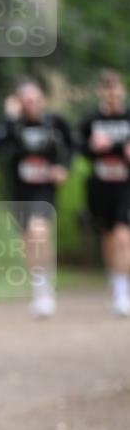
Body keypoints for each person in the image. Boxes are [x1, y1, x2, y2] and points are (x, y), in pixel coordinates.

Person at [0, 77, 72, 318]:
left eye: (35, 99)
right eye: (26, 100)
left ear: (42, 99)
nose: (32, 104)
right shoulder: (13, 125)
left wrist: (63, 168)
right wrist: (9, 118)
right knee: (27, 241)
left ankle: (45, 291)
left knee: (40, 231)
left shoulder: (55, 123)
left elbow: (71, 146)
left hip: (44, 189)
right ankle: (40, 289)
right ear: (18, 102)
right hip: (19, 191)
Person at [78, 69, 130, 317]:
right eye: (107, 92)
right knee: (108, 238)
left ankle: (124, 292)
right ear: (101, 93)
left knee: (123, 236)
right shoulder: (91, 119)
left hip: (126, 185)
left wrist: (115, 146)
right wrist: (92, 147)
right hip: (101, 186)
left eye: (116, 91)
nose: (112, 97)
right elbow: (79, 147)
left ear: (122, 91)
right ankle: (117, 286)